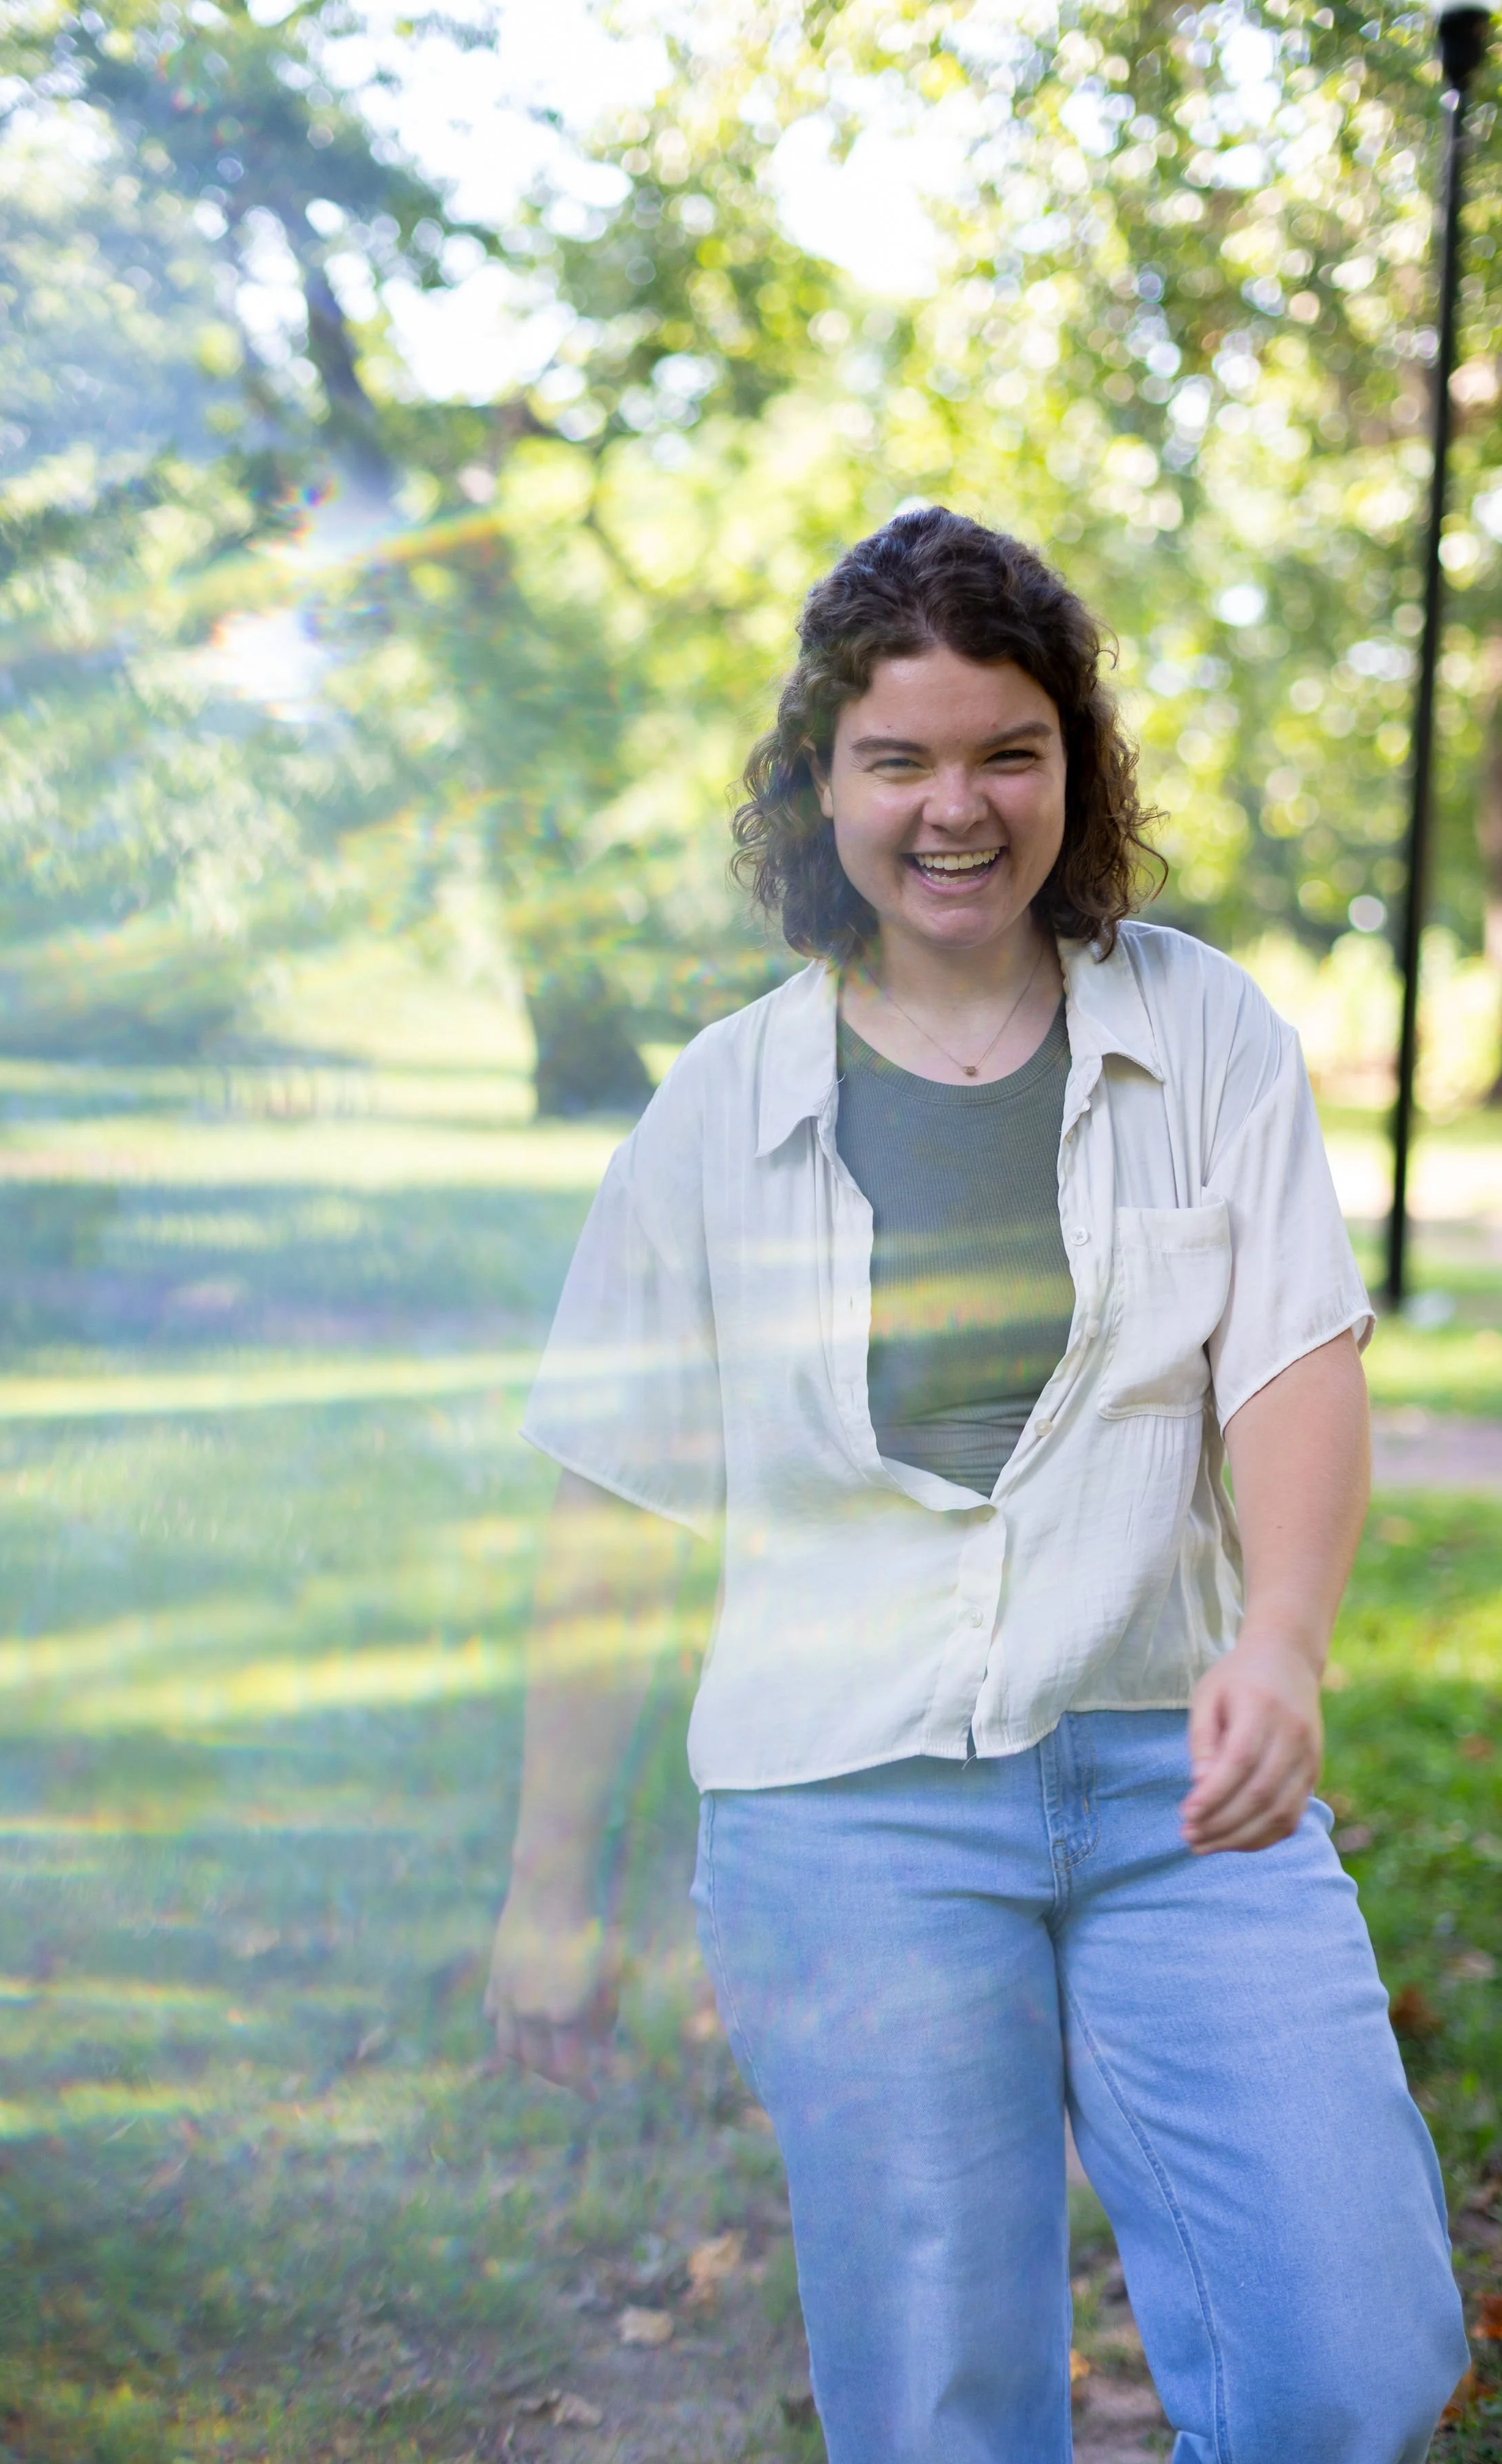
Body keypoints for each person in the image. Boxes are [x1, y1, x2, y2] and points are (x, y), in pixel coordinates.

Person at [484, 509, 1469, 2463]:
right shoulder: (714, 1114)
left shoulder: (1201, 1035)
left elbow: (1291, 1356)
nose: (959, 807)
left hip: (1180, 1784)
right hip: (843, 1813)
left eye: (1009, 752)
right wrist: (546, 1888)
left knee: (1351, 2354)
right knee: (944, 2409)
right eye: (900, 759)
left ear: (1074, 769)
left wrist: (1282, 1641)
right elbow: (611, 1511)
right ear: (820, 785)